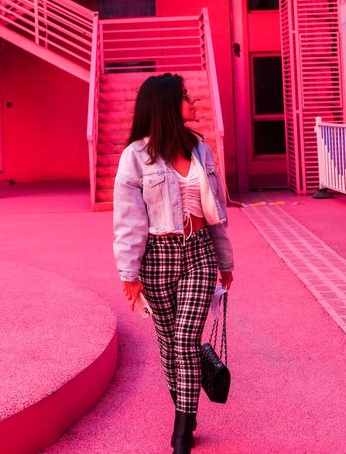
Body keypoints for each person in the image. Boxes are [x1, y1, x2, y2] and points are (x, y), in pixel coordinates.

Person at [113, 73, 234, 454]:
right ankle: (187, 406)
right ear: (166, 103)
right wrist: (129, 274)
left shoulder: (200, 149)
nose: (193, 101)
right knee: (169, 345)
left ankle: (181, 431)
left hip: (199, 253)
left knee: (185, 339)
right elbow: (129, 220)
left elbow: (218, 211)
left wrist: (225, 261)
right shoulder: (135, 157)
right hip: (157, 259)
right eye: (185, 96)